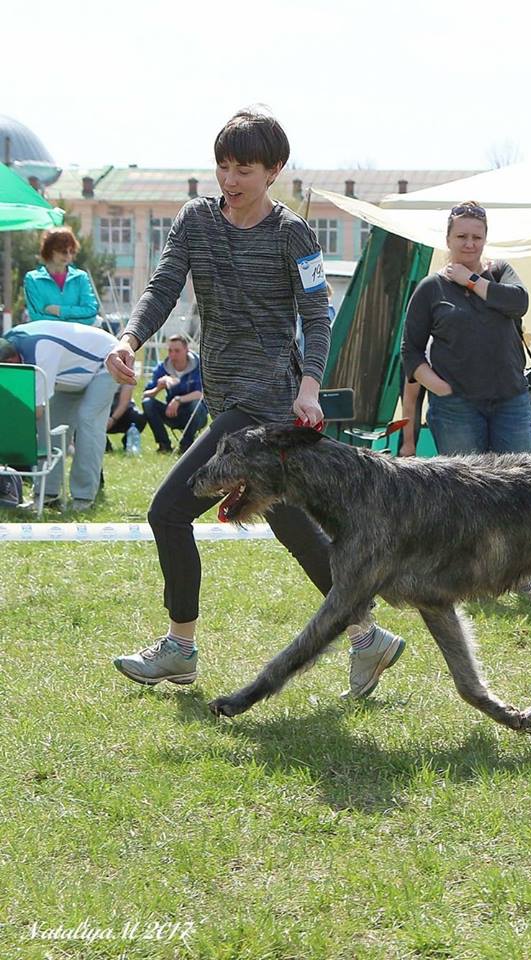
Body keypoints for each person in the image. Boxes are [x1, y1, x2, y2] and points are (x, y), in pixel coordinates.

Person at [105, 106, 404, 694]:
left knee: (167, 511)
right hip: (224, 398)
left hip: (266, 406)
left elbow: (317, 316)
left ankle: (179, 648)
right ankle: (369, 637)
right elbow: (165, 284)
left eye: (244, 168)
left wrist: (310, 384)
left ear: (274, 171)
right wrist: (131, 337)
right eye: (223, 166)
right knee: (293, 525)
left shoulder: (294, 234)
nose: (230, 180)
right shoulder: (196, 222)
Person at [401, 201, 531, 455]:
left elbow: (520, 302)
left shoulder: (500, 272)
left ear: (485, 239)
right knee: (465, 490)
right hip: (456, 408)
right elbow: (411, 351)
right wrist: (441, 388)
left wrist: (471, 280)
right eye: (461, 236)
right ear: (448, 239)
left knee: (521, 486)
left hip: (511, 401)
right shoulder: (431, 287)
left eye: (477, 237)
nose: (469, 243)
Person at [0, 320, 117, 510]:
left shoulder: (40, 352)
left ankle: (83, 497)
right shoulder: (8, 343)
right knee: (50, 425)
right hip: (70, 372)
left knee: (88, 420)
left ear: (13, 361)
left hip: (106, 360)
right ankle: (46, 494)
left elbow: (35, 412)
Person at [141, 333, 208, 454]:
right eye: (170, 351)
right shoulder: (163, 368)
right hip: (172, 413)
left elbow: (202, 393)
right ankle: (164, 445)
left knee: (196, 404)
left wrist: (178, 399)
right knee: (148, 403)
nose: (173, 355)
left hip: (195, 416)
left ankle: (186, 445)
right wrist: (158, 388)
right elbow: (145, 395)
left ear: (187, 350)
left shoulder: (199, 366)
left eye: (177, 351)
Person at [23, 227, 99, 324]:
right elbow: (37, 317)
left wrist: (60, 310)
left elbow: (91, 313)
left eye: (71, 251)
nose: (68, 255)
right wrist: (74, 317)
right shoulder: (32, 279)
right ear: (49, 250)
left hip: (77, 338)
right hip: (46, 337)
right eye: (63, 251)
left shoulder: (81, 277)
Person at [106, 382, 147, 450]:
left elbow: (124, 403)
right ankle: (105, 445)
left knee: (139, 417)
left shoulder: (126, 373)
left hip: (122, 412)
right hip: (102, 411)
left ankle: (128, 442)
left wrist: (113, 419)